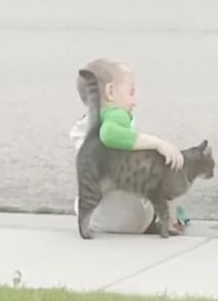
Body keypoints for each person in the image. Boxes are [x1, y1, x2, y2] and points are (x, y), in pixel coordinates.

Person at [70, 57, 190, 235]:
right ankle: (170, 219)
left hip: (98, 220)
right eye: (131, 92)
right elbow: (109, 134)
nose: (135, 102)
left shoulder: (83, 132)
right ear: (111, 92)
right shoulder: (115, 120)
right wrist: (158, 143)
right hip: (137, 220)